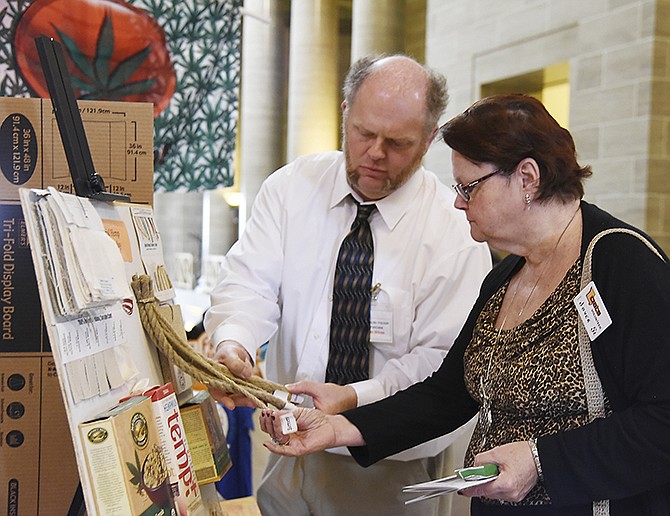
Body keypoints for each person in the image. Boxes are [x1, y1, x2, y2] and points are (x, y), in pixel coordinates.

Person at [259, 93, 670, 515]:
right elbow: (446, 395)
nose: (458, 202)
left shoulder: (620, 262)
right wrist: (336, 428)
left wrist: (540, 461)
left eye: (468, 187)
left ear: (527, 177)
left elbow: (662, 421)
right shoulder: (505, 275)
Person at [204, 54, 492, 515]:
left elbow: (440, 366)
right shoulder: (291, 189)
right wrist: (235, 342)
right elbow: (248, 283)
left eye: (397, 142)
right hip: (292, 456)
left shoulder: (455, 231)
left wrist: (353, 403)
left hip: (394, 470)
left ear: (429, 140)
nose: (376, 153)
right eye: (363, 133)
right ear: (344, 112)